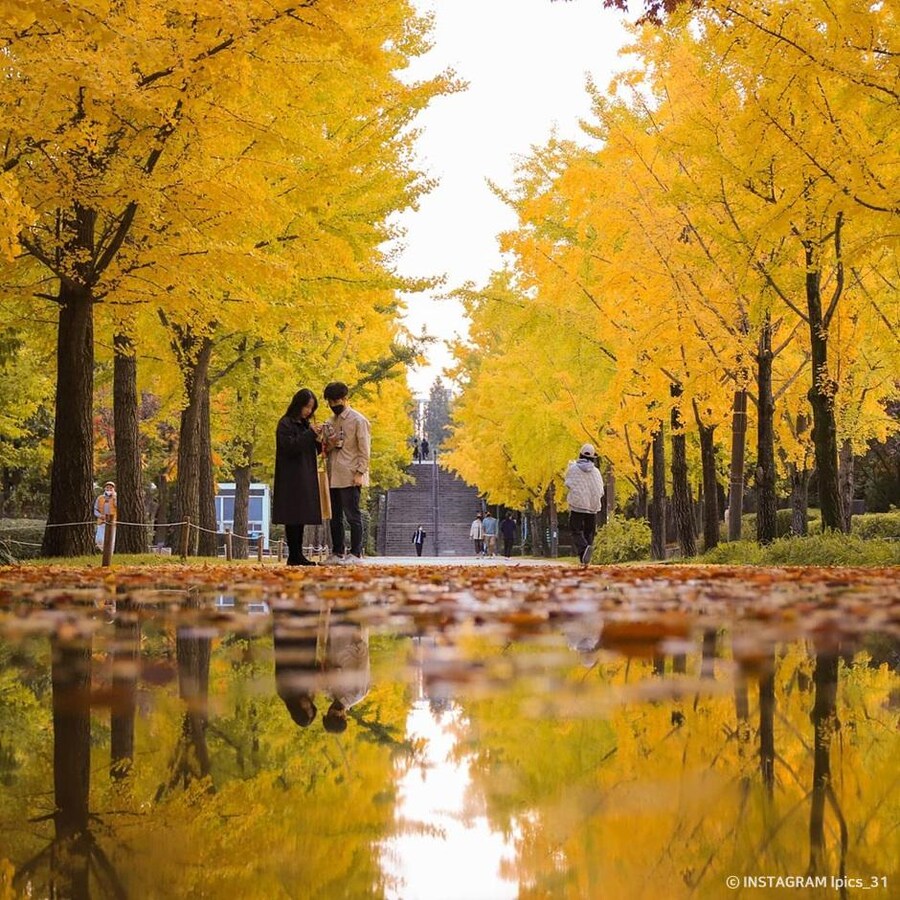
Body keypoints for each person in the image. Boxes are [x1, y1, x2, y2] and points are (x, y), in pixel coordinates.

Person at [272, 388, 323, 566]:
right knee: (292, 515)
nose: (309, 411)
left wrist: (320, 440)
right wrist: (310, 434)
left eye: (311, 408)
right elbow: (289, 447)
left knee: (300, 516)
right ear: (298, 405)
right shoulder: (286, 423)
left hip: (305, 474)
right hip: (291, 476)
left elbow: (313, 450)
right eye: (307, 407)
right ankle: (294, 554)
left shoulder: (305, 425)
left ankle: (297, 554)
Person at [322, 381, 371, 563]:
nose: (334, 405)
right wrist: (328, 442)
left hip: (350, 474)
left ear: (345, 398)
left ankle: (356, 553)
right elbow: (325, 449)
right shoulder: (329, 422)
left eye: (337, 401)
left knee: (352, 515)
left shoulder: (358, 420)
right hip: (332, 474)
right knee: (334, 517)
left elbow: (364, 449)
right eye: (331, 402)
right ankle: (337, 552)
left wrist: (360, 472)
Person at [565, 443, 605, 566]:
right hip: (592, 506)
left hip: (578, 505)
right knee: (589, 531)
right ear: (593, 457)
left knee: (575, 529)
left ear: (580, 454)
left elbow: (568, 483)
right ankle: (585, 556)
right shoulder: (596, 472)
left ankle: (583, 550)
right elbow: (601, 490)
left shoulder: (573, 468)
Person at [94, 481, 117, 551]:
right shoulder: (100, 498)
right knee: (99, 539)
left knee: (112, 540)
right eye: (107, 487)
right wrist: (100, 516)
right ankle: (103, 551)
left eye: (111, 488)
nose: (109, 489)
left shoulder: (116, 497)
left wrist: (114, 497)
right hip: (102, 521)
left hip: (113, 522)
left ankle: (110, 554)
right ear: (104, 488)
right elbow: (95, 509)